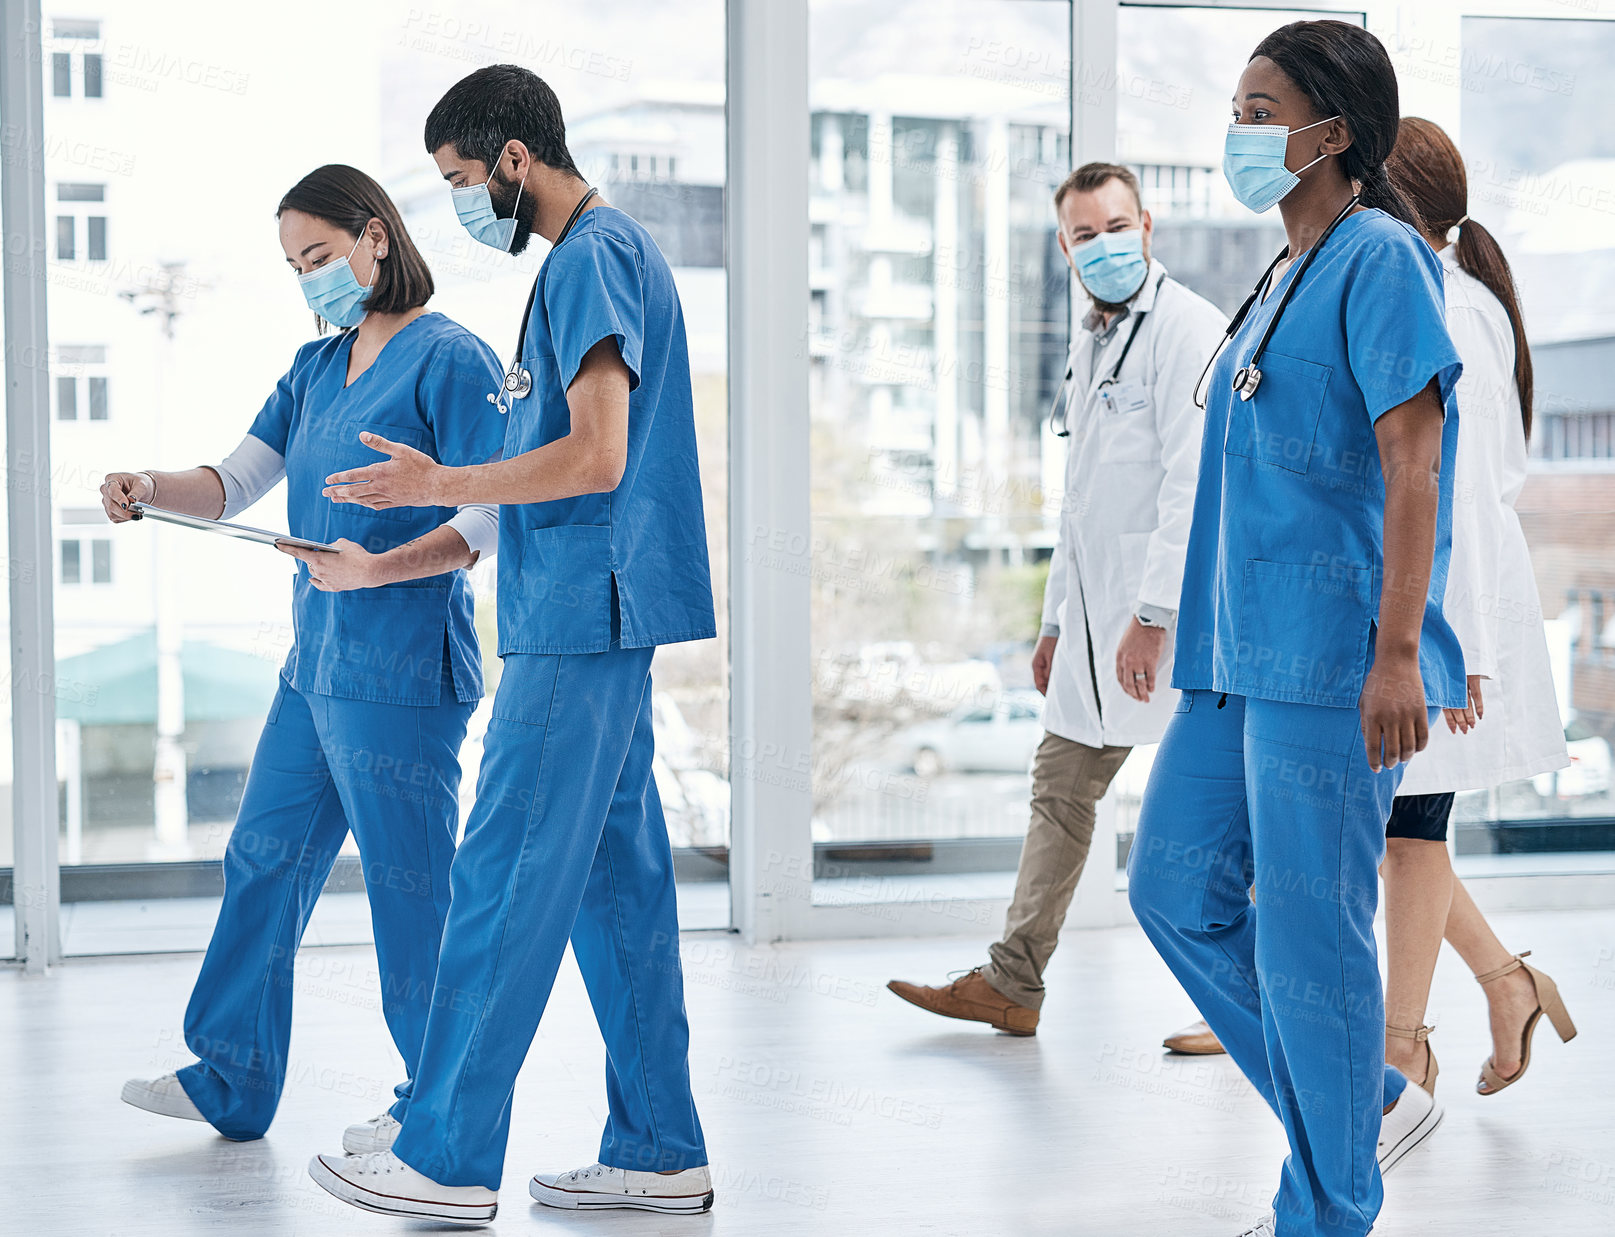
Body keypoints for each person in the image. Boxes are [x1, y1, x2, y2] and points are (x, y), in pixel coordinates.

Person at [305, 65, 716, 1224]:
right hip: (589, 610)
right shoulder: (592, 260)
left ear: (515, 161)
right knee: (612, 888)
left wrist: (440, 480)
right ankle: (655, 1146)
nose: (460, 207)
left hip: (584, 614)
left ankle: (446, 1152)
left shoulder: (591, 257)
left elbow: (594, 457)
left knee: (500, 873)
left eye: (458, 182)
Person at [1125, 21, 1465, 1237]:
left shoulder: (1379, 258)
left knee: (1313, 940)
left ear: (1334, 129)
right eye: (1237, 107)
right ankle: (1364, 1101)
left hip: (1327, 659)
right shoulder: (1282, 269)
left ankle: (1324, 1210)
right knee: (1170, 886)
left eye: (1262, 110)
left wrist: (1391, 653)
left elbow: (1412, 463)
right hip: (1235, 656)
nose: (1240, 132)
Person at [111, 165, 506, 1143]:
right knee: (263, 858)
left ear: (376, 237)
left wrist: (380, 572)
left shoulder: (451, 361)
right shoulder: (312, 367)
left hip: (404, 671)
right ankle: (232, 1079)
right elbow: (235, 479)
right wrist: (147, 485)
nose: (311, 278)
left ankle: (437, 1106)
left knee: (411, 892)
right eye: (295, 265)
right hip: (317, 669)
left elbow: (492, 512)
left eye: (320, 255)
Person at [886, 163, 1226, 1037]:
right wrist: (1048, 623)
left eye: (1116, 227)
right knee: (1060, 785)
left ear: (1146, 226)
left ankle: (1243, 1003)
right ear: (1065, 248)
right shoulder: (1092, 340)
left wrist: (1152, 617)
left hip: (1173, 619)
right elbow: (1078, 502)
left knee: (1225, 814)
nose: (1102, 246)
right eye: (1083, 235)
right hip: (1091, 621)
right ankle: (1013, 980)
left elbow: (1196, 484)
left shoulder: (1188, 330)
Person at [1378, 116, 1577, 1099]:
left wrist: (1445, 653)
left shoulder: (1442, 308)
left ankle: (1403, 1045)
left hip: (1449, 608)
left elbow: (1450, 489)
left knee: (1409, 826)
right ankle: (1508, 983)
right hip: (1448, 599)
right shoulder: (1454, 297)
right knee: (1398, 827)